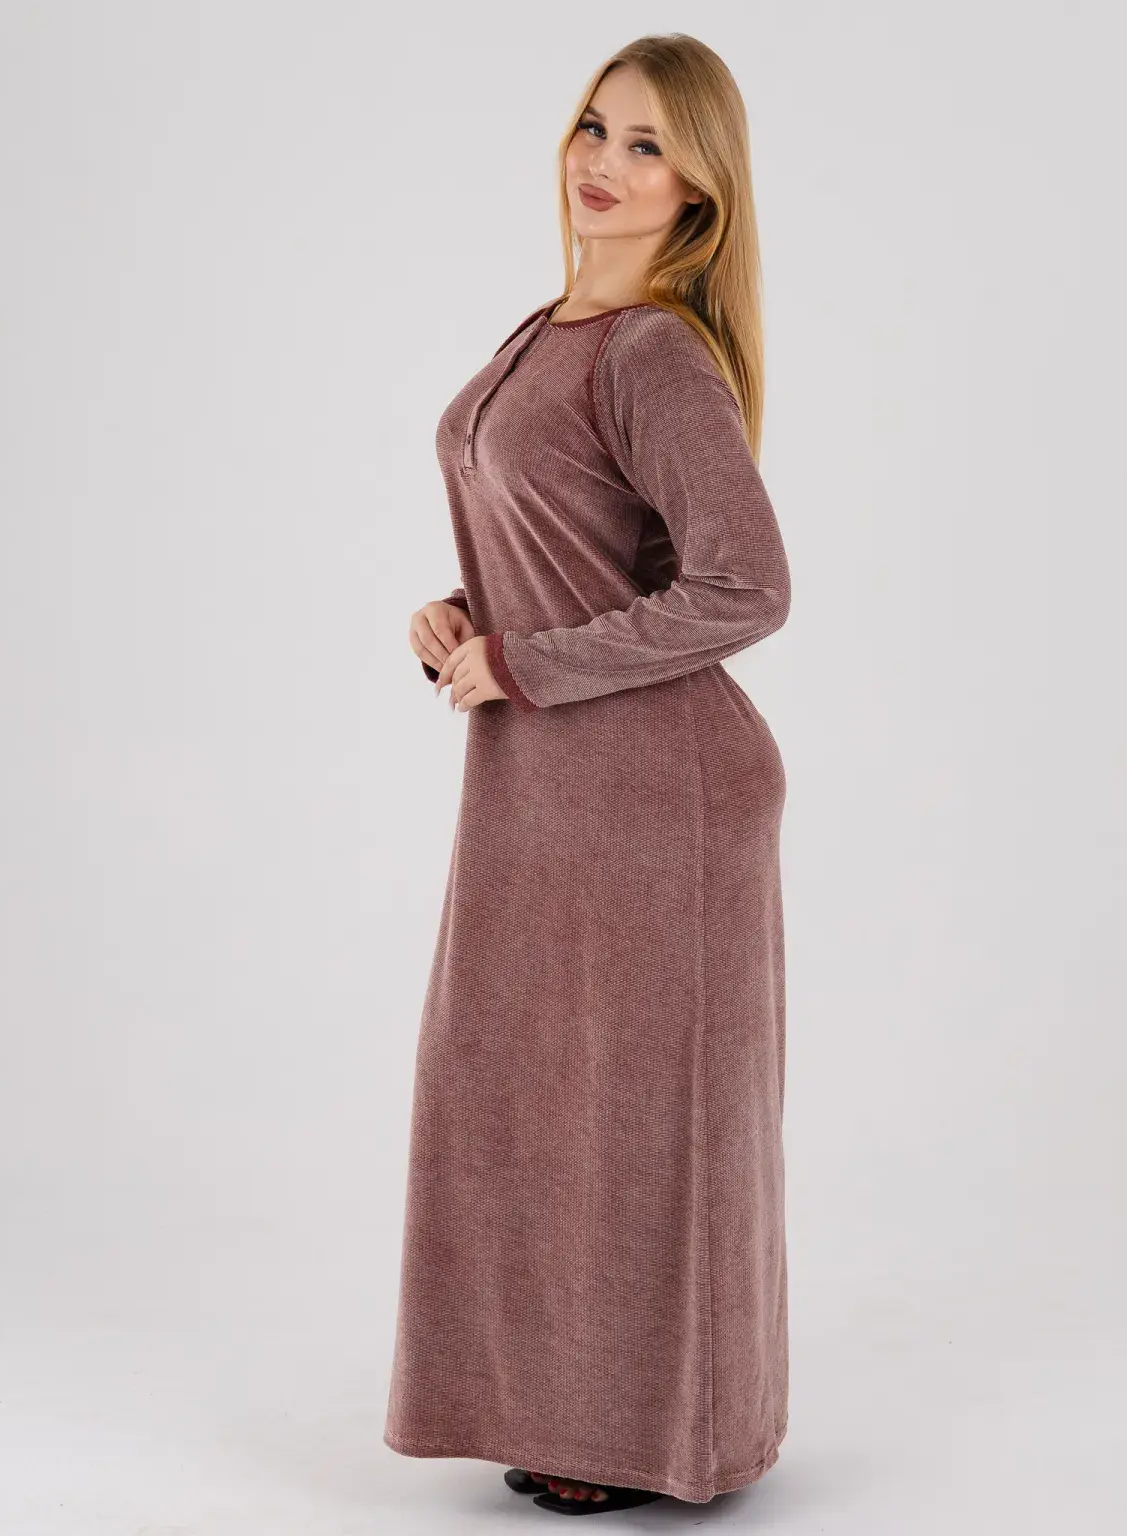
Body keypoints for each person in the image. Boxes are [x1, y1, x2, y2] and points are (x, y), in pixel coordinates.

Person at [387, 33, 792, 1517]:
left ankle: (653, 1435)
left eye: (647, 144)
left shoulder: (653, 352)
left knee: (628, 1115)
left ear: (699, 189)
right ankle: (557, 1406)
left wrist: (530, 662)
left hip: (654, 789)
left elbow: (746, 587)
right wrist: (463, 618)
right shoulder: (550, 329)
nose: (604, 163)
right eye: (594, 127)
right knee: (518, 1091)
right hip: (546, 777)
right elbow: (613, 560)